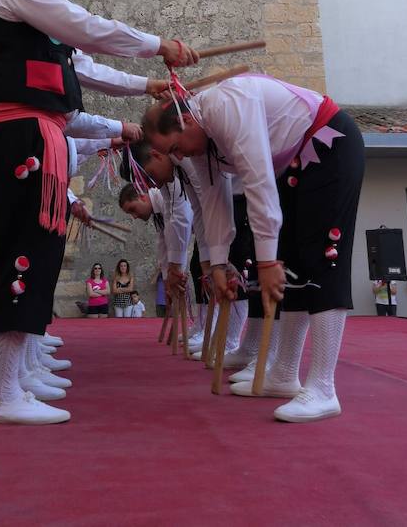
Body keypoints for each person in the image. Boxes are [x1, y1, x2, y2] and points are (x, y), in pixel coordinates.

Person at [0, 0, 197, 425]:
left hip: (36, 134)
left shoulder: (37, 15)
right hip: (19, 132)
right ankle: (1, 391)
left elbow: (85, 65)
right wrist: (156, 46)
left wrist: (148, 83)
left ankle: (19, 375)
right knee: (23, 253)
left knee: (38, 252)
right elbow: (88, 29)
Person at [145, 72, 365, 423]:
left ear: (185, 120)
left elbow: (257, 179)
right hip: (292, 164)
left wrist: (264, 262)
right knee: (291, 264)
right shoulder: (201, 141)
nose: (179, 155)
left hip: (328, 142)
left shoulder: (224, 106)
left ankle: (324, 386)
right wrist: (217, 265)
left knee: (324, 258)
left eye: (175, 147)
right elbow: (215, 202)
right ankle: (284, 373)